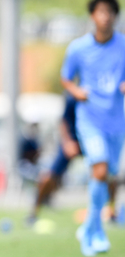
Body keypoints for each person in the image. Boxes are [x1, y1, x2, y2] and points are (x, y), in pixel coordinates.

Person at [61, 0, 125, 257]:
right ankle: (94, 230)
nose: (105, 16)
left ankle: (90, 228)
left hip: (116, 121)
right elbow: (66, 78)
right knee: (98, 170)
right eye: (100, 12)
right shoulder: (78, 48)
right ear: (92, 16)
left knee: (105, 175)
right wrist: (76, 92)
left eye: (110, 12)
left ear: (115, 16)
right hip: (89, 119)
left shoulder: (123, 45)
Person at [27, 96, 81, 224]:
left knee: (107, 174)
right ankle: (33, 213)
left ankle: (112, 212)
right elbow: (63, 121)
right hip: (71, 142)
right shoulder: (73, 98)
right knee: (47, 177)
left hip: (92, 141)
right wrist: (68, 142)